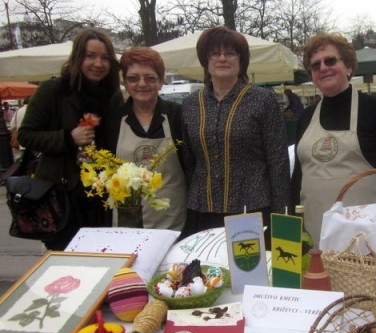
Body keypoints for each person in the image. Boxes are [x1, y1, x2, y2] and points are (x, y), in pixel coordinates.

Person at [291, 32, 376, 246]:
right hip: (315, 238)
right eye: (315, 65)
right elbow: (298, 179)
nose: (323, 68)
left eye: (330, 60)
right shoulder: (306, 118)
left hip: (369, 242)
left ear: (348, 66)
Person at [180, 26, 290, 243]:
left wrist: (283, 217)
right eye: (215, 53)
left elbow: (278, 163)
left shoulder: (262, 100)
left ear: (242, 60)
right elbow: (189, 161)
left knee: (249, 274)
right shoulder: (191, 105)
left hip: (251, 208)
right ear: (205, 59)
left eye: (230, 53)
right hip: (203, 209)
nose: (222, 58)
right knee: (206, 273)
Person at [18, 28, 123, 250]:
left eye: (104, 58)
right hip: (61, 196)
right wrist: (68, 137)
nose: (98, 63)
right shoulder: (53, 90)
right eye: (90, 56)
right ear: (78, 58)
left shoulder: (112, 96)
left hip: (100, 197)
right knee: (64, 260)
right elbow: (26, 135)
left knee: (101, 256)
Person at [99, 47, 187, 232]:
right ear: (125, 82)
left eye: (150, 78)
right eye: (133, 78)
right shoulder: (112, 120)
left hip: (172, 218)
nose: (141, 84)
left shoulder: (178, 116)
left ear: (161, 81)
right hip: (127, 218)